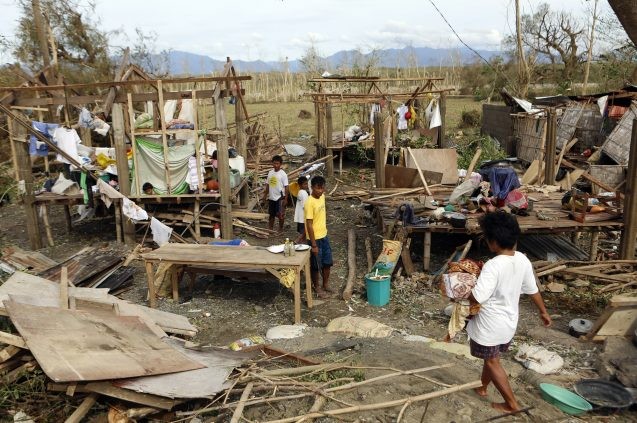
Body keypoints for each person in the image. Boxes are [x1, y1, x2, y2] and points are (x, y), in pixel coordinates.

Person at [467, 211, 551, 412]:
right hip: (508, 323)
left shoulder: (493, 265)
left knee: (492, 360)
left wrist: (463, 288)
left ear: (493, 241)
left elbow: (477, 297)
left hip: (490, 325)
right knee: (493, 357)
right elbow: (532, 290)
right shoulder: (522, 259)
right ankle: (483, 387)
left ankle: (512, 404)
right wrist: (543, 312)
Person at [305, 176, 333, 298]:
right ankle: (316, 287)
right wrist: (314, 244)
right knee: (316, 265)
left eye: (322, 188)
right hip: (314, 239)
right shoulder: (309, 202)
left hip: (324, 236)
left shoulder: (322, 197)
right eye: (318, 188)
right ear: (312, 187)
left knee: (327, 263)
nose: (320, 191)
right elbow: (309, 224)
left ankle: (325, 284)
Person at [262, 155, 288, 232]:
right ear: (272, 163)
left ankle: (280, 229)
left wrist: (286, 199)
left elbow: (286, 187)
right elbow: (268, 185)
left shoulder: (283, 174)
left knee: (280, 215)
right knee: (271, 214)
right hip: (271, 197)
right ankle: (270, 228)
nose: (276, 165)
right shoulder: (270, 173)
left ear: (281, 164)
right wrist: (265, 196)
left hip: (280, 198)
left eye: (277, 163)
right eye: (274, 163)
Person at [294, 176, 309, 244]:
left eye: (307, 183)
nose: (306, 185)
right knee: (305, 230)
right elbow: (305, 206)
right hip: (304, 215)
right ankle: (298, 240)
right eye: (305, 184)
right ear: (300, 185)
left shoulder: (300, 192)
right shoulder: (304, 193)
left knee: (303, 230)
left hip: (300, 215)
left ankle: (303, 241)